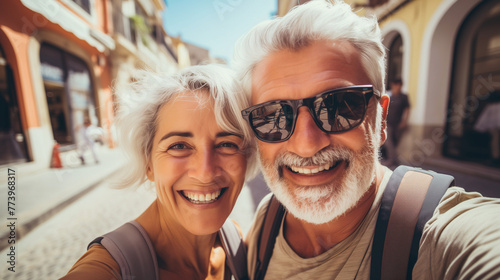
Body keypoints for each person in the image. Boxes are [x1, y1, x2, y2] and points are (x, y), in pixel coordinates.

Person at [233, 0, 500, 279]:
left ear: (381, 119)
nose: (307, 144)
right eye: (273, 115)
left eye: (340, 106)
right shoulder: (268, 220)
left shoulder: (442, 234)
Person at [62, 64, 257, 279]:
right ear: (148, 163)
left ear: (247, 156)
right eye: (179, 146)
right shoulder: (108, 268)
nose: (205, 173)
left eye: (227, 144)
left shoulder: (235, 241)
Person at [382, 78, 410, 167]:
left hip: (398, 124)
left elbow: (407, 109)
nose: (398, 87)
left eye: (400, 85)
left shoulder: (403, 97)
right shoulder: (388, 95)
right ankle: (392, 159)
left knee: (395, 142)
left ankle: (393, 160)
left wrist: (404, 121)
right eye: (396, 85)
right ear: (393, 85)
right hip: (388, 122)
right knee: (388, 141)